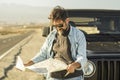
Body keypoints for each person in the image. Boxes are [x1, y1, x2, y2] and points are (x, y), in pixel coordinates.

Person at [24, 6, 88, 80]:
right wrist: (29, 63)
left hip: (73, 76)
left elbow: (82, 57)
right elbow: (43, 54)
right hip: (54, 77)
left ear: (67, 20)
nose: (58, 28)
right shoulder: (51, 36)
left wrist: (74, 65)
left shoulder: (78, 35)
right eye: (55, 26)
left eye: (60, 25)